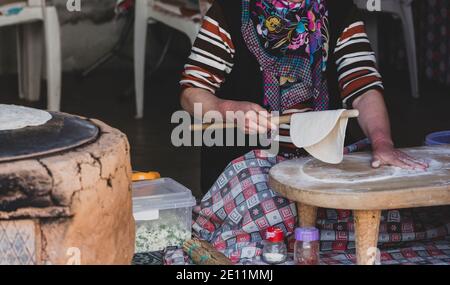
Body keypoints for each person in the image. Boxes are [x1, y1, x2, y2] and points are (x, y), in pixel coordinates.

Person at [179, 0, 429, 263]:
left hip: (319, 161)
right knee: (263, 207)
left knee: (377, 209)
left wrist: (382, 142)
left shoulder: (339, 10)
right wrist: (227, 108)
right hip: (251, 168)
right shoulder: (228, 11)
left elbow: (363, 86)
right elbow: (191, 92)